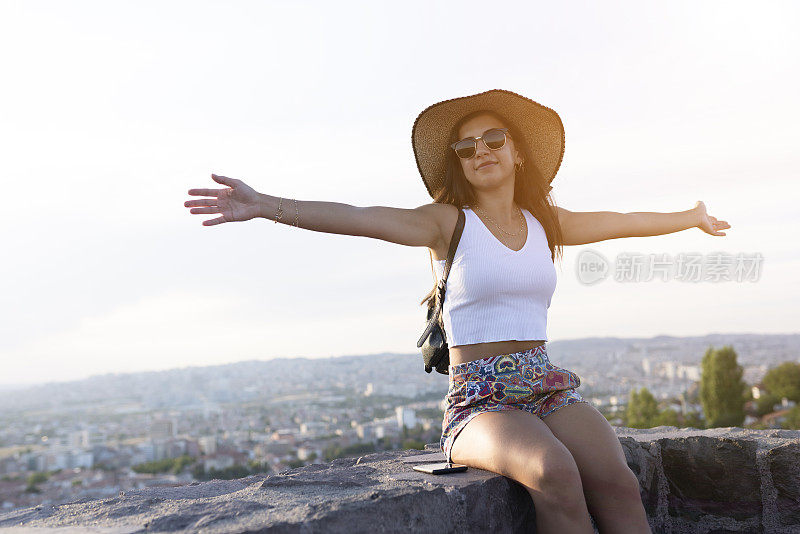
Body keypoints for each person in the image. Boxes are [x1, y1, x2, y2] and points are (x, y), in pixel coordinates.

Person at [184, 89, 730, 534]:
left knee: (617, 482)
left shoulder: (547, 225)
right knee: (554, 472)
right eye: (467, 148)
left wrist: (689, 216)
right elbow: (355, 216)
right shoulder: (448, 224)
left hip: (547, 385)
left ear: (517, 152)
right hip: (478, 400)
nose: (481, 151)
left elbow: (622, 220)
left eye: (493, 139)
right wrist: (264, 207)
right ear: (460, 165)